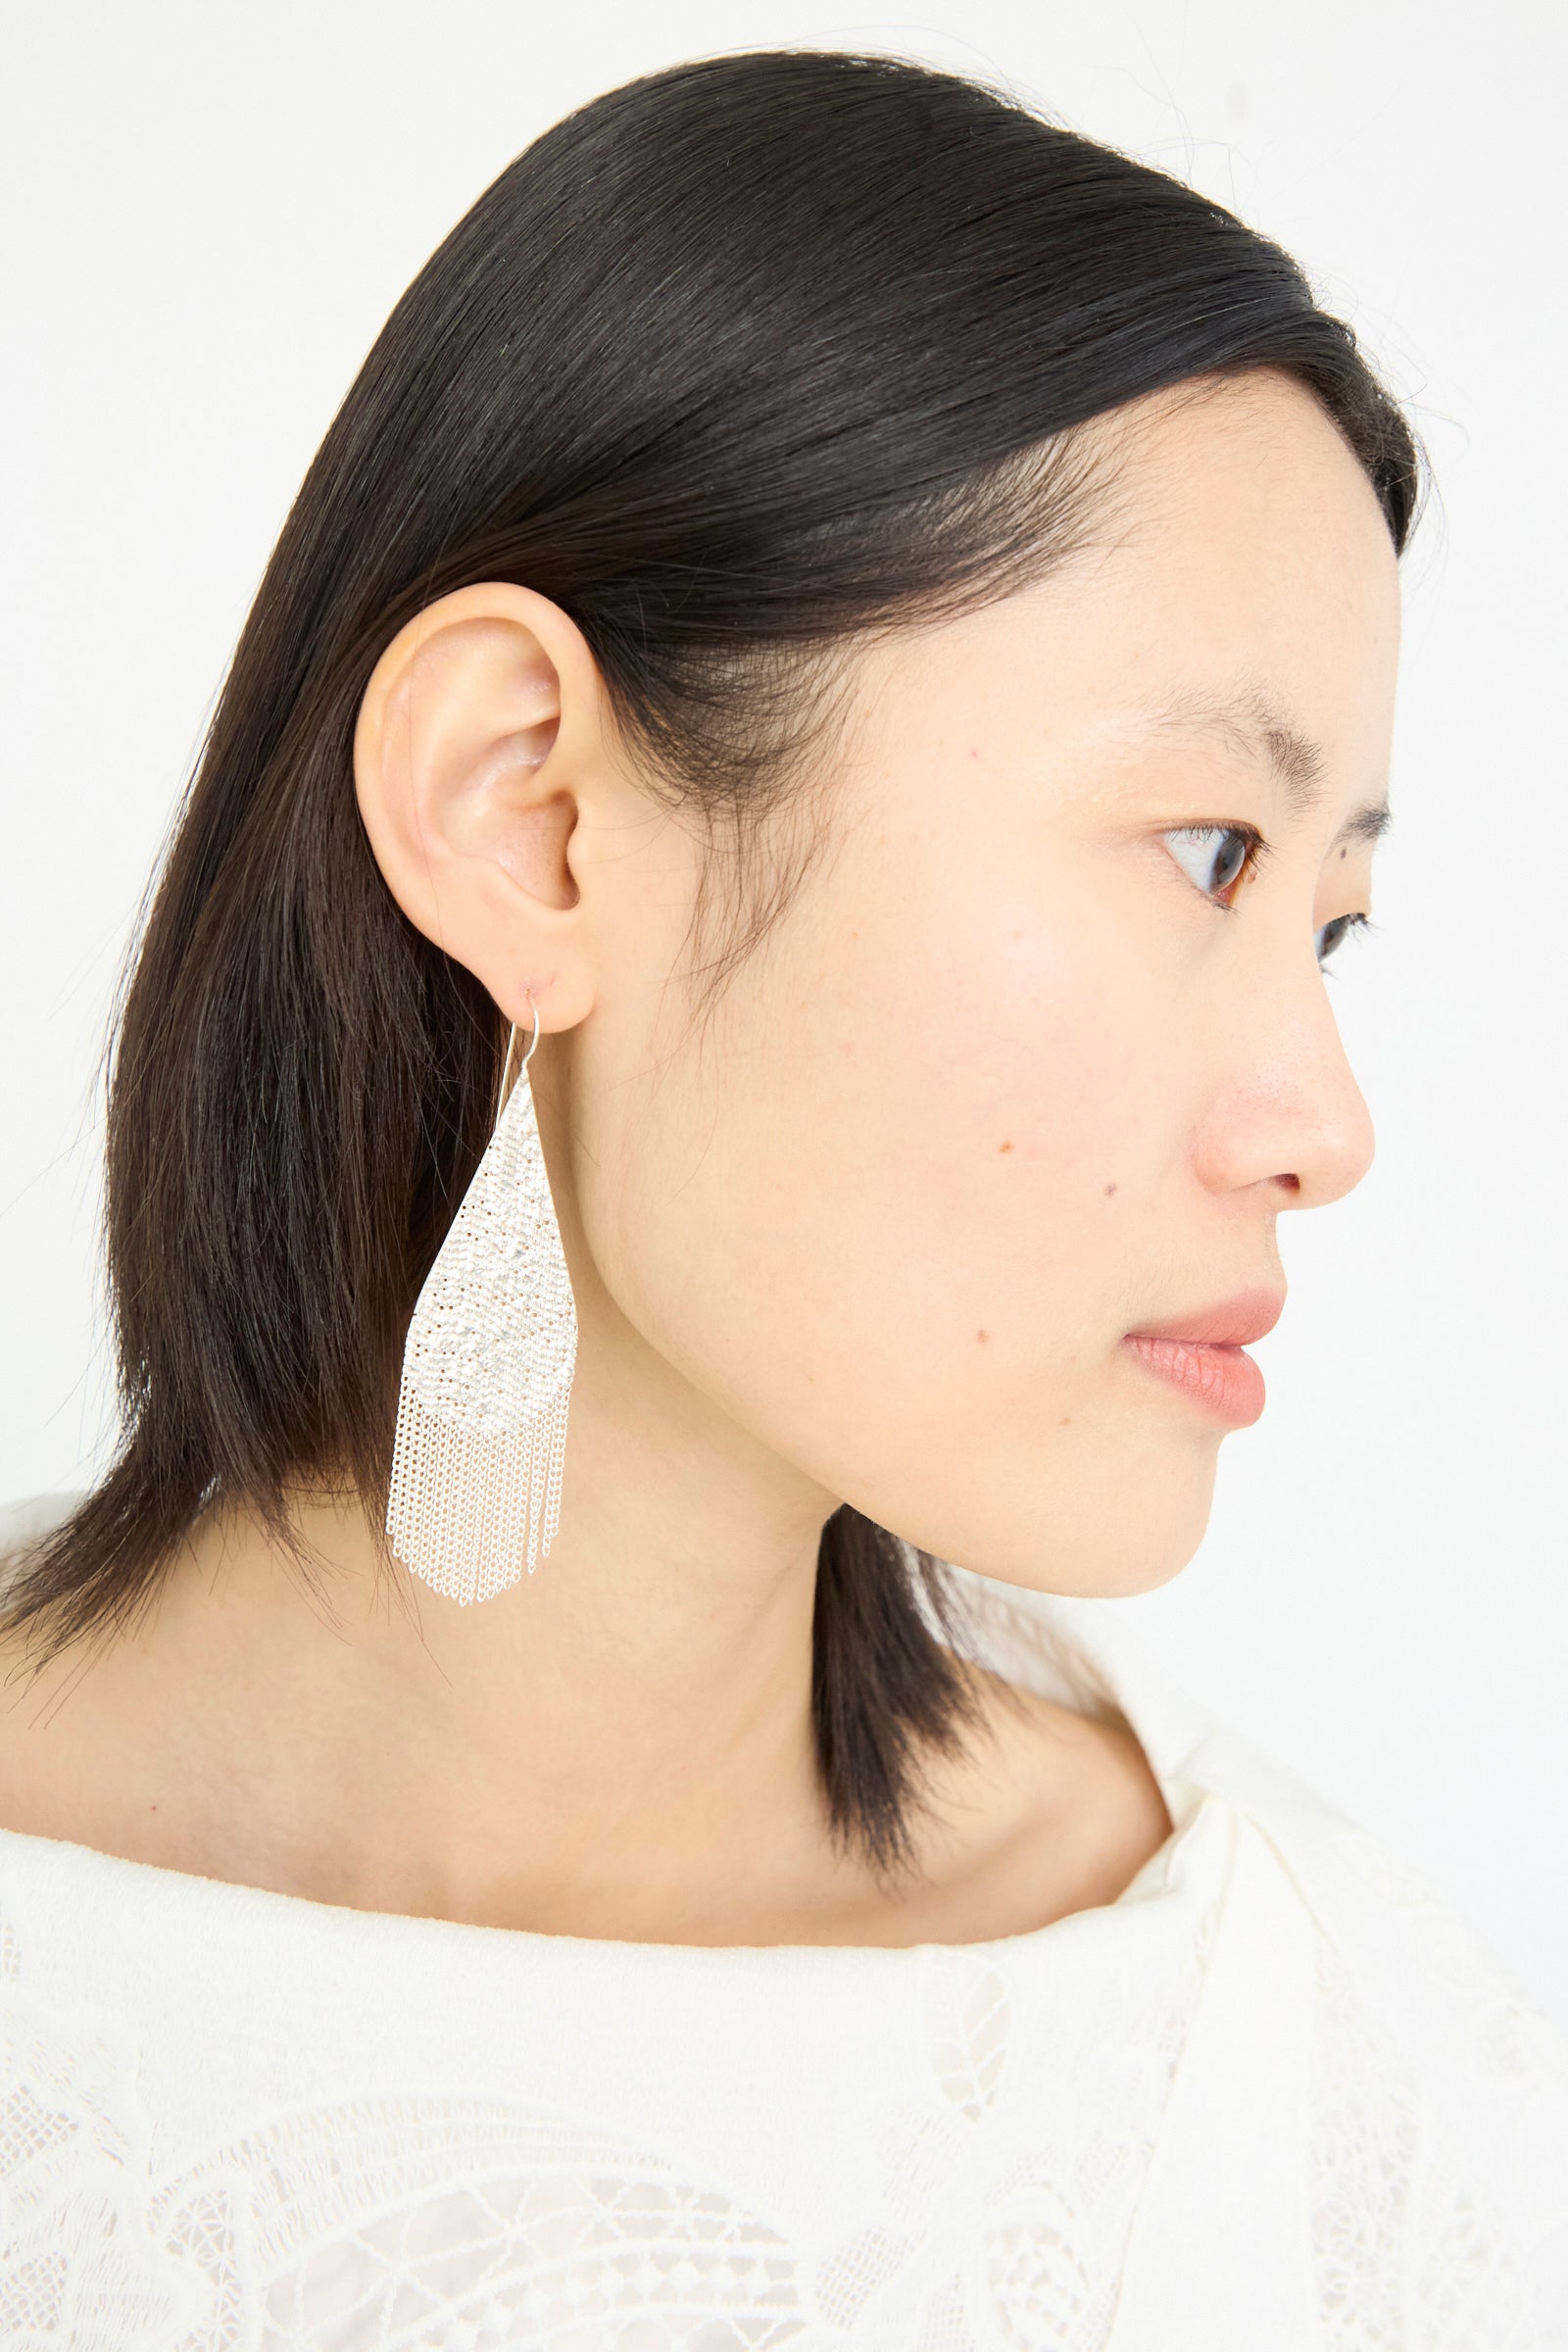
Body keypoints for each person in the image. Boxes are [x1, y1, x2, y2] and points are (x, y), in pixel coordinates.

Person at [0, 46, 1563, 2349]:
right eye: (1207, 850)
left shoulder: (1310, 2081)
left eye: (1321, 919)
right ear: (531, 816)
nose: (1320, 1127)